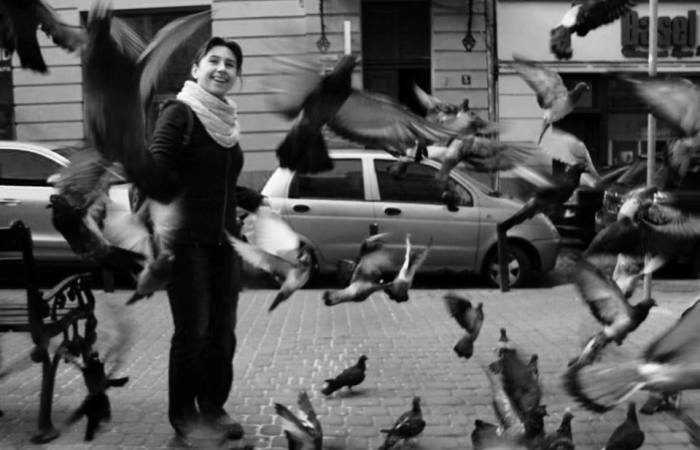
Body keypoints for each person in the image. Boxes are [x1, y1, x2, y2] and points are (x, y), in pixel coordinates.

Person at [136, 36, 268, 444]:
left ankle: (212, 406)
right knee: (192, 333)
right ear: (196, 69)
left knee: (222, 333)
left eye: (231, 64)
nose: (222, 69)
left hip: (223, 244)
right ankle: (184, 415)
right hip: (186, 243)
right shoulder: (180, 113)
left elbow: (217, 181)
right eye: (214, 60)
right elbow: (157, 168)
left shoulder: (226, 123)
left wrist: (257, 200)